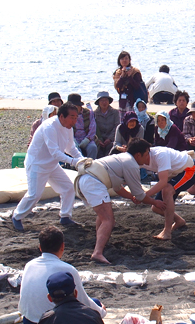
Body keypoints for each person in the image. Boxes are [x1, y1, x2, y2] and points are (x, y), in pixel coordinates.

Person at [74, 138, 166, 264]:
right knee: (108, 220)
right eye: (146, 155)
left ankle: (100, 242)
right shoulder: (131, 163)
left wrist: (131, 197)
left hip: (85, 179)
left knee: (103, 216)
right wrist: (155, 202)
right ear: (138, 155)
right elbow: (139, 194)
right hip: (93, 182)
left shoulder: (122, 158)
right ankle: (97, 252)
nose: (147, 159)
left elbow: (118, 188)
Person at [18, 226, 106, 324]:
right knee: (95, 304)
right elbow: (84, 302)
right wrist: (101, 312)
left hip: (30, 323)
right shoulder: (68, 269)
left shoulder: (29, 265)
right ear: (62, 246)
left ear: (40, 247)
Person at [12, 101, 86, 232]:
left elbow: (71, 147)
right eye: (72, 117)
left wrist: (81, 159)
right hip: (37, 164)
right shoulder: (49, 127)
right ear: (62, 116)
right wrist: (74, 162)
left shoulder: (68, 127)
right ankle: (17, 217)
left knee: (68, 188)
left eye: (76, 117)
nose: (74, 120)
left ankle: (65, 216)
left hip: (52, 164)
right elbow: (55, 152)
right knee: (34, 195)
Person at [142, 144, 195, 240]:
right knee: (156, 207)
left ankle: (167, 232)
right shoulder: (136, 159)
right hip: (173, 174)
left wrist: (144, 195)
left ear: (144, 154)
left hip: (189, 169)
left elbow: (163, 182)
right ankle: (179, 221)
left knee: (167, 190)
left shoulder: (160, 155)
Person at [113, 50, 144, 116]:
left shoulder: (135, 72)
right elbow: (118, 86)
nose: (124, 60)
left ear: (129, 60)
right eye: (122, 59)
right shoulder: (118, 72)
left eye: (126, 58)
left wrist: (130, 77)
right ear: (119, 61)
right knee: (123, 121)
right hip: (123, 102)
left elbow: (137, 86)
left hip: (133, 100)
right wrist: (122, 76)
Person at [69, 93, 98, 159]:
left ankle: (91, 165)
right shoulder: (67, 115)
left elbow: (92, 128)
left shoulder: (89, 113)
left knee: (93, 148)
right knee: (74, 149)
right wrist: (72, 139)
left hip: (86, 138)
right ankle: (78, 165)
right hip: (73, 138)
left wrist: (87, 139)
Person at [94, 91, 121, 158]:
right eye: (102, 100)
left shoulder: (115, 112)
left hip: (112, 139)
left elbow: (117, 127)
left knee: (111, 148)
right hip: (99, 140)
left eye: (106, 100)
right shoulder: (94, 114)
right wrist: (98, 139)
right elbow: (93, 128)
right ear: (98, 102)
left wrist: (109, 139)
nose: (104, 102)